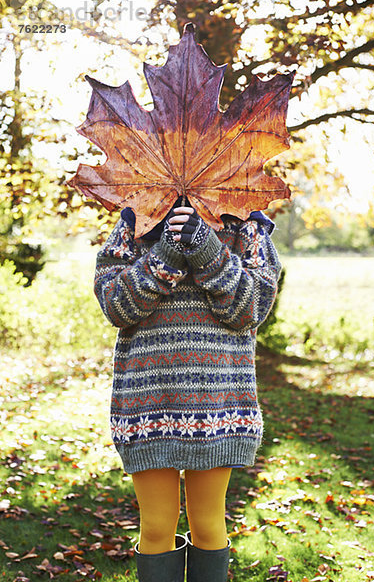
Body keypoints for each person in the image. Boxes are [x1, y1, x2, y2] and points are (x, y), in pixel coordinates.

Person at [93, 195, 282, 582]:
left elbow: (251, 309)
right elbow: (116, 305)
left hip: (219, 404)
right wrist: (167, 252)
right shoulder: (137, 218)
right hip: (148, 404)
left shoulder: (246, 223)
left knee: (210, 524)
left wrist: (207, 247)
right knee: (157, 527)